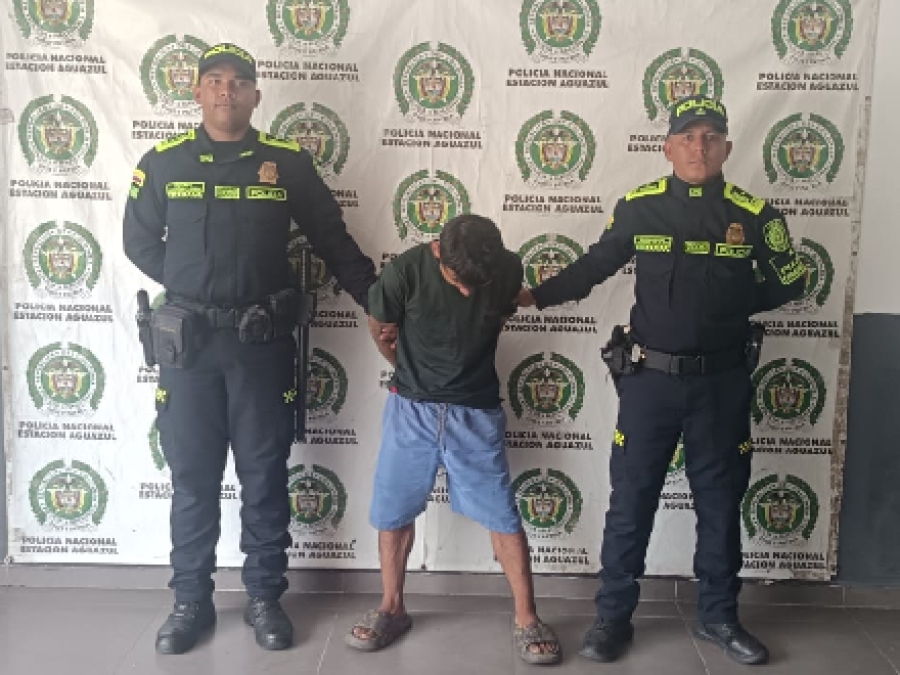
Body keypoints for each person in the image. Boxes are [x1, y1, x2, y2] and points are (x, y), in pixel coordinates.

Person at [518, 96, 806, 666]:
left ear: (727, 147)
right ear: (667, 147)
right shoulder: (639, 207)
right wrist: (532, 296)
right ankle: (612, 619)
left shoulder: (756, 214)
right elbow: (593, 267)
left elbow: (792, 281)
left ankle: (720, 617)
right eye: (688, 137)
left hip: (721, 384)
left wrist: (732, 302)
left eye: (711, 137)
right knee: (631, 501)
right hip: (649, 383)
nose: (700, 147)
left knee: (720, 504)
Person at [123, 42, 376, 655]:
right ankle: (190, 601)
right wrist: (194, 286)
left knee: (263, 474)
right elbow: (139, 242)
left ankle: (264, 597)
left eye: (238, 82)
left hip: (260, 345)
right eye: (214, 80)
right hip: (189, 348)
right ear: (196, 91)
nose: (226, 90)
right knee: (193, 476)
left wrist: (377, 301)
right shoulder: (164, 163)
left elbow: (332, 239)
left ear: (256, 95)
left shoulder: (286, 164)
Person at [352, 215, 562, 665]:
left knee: (503, 516)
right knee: (392, 511)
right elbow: (379, 325)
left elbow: (498, 316)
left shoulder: (507, 267)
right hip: (411, 410)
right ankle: (391, 607)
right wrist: (408, 369)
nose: (467, 291)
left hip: (476, 412)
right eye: (456, 280)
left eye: (475, 284)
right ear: (437, 251)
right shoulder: (404, 271)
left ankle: (528, 618)